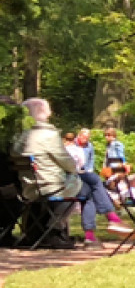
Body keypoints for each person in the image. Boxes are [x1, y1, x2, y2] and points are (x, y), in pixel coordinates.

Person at [9, 98, 84, 248]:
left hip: (28, 188)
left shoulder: (19, 137)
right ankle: (56, 229)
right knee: (86, 183)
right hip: (49, 186)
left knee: (89, 181)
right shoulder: (48, 135)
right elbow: (67, 162)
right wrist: (75, 170)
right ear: (43, 112)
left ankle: (46, 232)